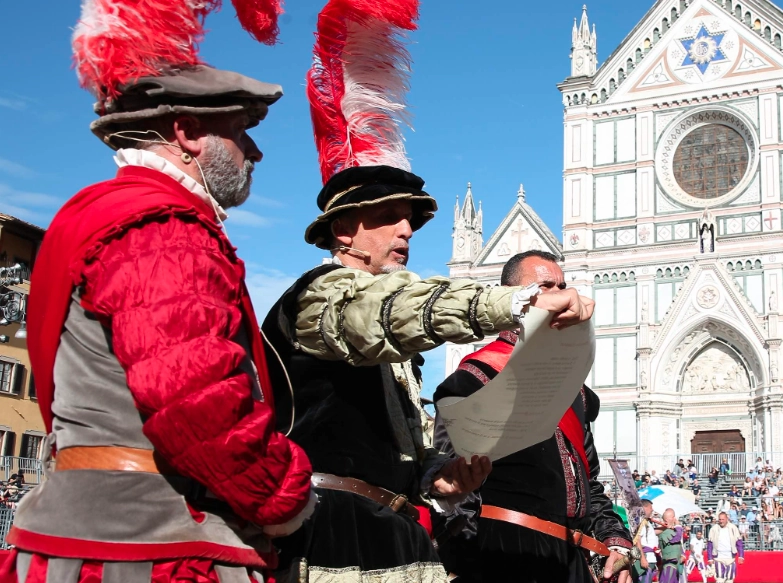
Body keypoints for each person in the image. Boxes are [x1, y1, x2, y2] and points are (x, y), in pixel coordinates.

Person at [260, 4, 597, 580]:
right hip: (332, 542)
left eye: (410, 219)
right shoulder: (320, 298)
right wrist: (514, 301)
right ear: (345, 232)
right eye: (389, 217)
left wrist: (441, 481)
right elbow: (390, 312)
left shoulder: (397, 350)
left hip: (396, 543)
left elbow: (403, 461)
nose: (407, 230)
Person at [0, 3, 318, 583]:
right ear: (189, 133)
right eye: (240, 131)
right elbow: (197, 403)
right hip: (149, 549)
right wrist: (287, 498)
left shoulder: (102, 214)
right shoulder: (161, 228)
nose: (256, 152)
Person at [432, 251, 632, 582]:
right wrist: (465, 565)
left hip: (569, 561)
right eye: (547, 286)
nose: (564, 296)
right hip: (505, 557)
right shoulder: (476, 377)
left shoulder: (573, 386)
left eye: (563, 285)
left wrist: (614, 543)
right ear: (513, 298)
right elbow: (454, 486)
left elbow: (589, 482)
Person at [708, 512, 744, 583]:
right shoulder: (714, 529)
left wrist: (741, 556)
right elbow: (710, 544)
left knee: (730, 579)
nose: (721, 521)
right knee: (720, 578)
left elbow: (739, 542)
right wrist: (710, 558)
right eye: (720, 519)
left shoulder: (733, 528)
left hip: (730, 557)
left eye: (723, 519)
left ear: (727, 519)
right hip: (718, 557)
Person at [634, 500, 660, 583]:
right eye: (650, 508)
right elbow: (638, 539)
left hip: (650, 558)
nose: (652, 510)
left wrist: (666, 527)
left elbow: (654, 532)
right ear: (644, 508)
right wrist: (642, 558)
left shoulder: (647, 521)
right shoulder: (640, 521)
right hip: (645, 557)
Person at [657, 509, 684, 583]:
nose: (675, 518)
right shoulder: (664, 531)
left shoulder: (673, 530)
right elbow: (676, 538)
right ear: (666, 519)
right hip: (669, 565)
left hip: (676, 564)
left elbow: (678, 545)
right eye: (672, 517)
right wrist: (678, 526)